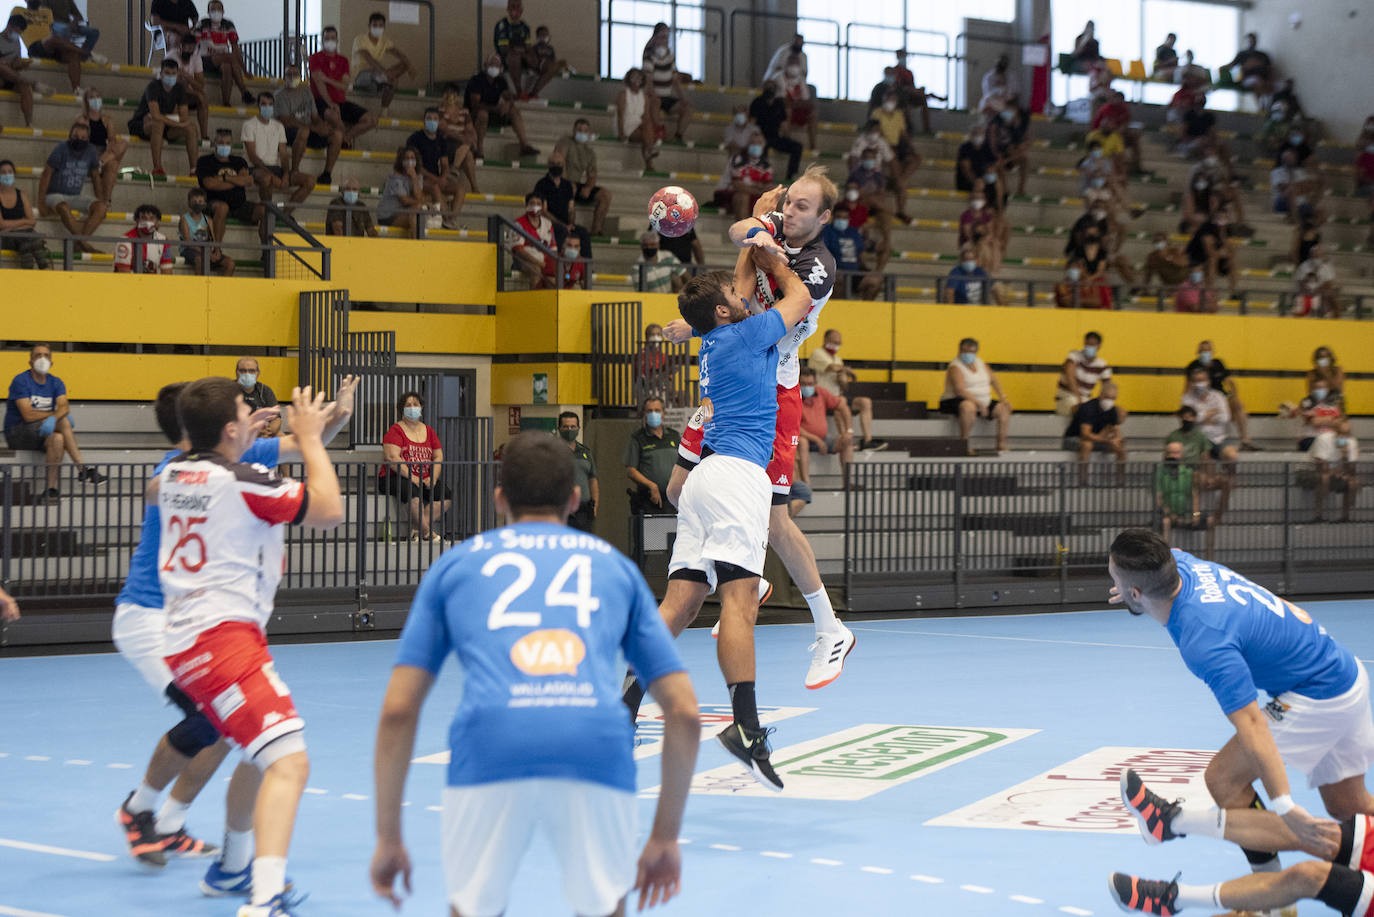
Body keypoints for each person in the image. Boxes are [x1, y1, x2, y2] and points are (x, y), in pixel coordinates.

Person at [368, 431, 699, 917]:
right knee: (604, 907)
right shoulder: (615, 570)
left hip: (490, 748)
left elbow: (398, 710)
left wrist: (389, 837)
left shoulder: (455, 568)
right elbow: (685, 714)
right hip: (594, 750)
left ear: (499, 499)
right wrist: (665, 836)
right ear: (575, 499)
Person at [112, 377, 354, 875]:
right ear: (224, 427)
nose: (254, 414)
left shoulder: (187, 467)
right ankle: (140, 810)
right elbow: (317, 488)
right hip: (154, 617)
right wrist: (292, 441)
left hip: (200, 623)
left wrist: (339, 417)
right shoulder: (191, 469)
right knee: (210, 722)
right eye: (245, 409)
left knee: (225, 728)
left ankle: (174, 821)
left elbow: (309, 440)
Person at [623, 240, 819, 791]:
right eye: (736, 294)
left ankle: (626, 702)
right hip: (737, 477)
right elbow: (800, 297)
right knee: (740, 603)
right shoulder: (742, 333)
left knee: (681, 602)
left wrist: (747, 255)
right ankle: (747, 727)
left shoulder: (716, 340)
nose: (743, 292)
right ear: (725, 312)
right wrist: (771, 257)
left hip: (706, 477)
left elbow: (729, 295)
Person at [658, 168, 857, 692]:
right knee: (678, 489)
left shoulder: (819, 267)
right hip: (734, 378)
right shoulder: (775, 226)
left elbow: (771, 291)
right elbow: (739, 254)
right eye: (788, 204)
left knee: (774, 518)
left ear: (824, 218)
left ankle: (830, 627)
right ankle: (754, 578)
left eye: (802, 208)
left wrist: (759, 234)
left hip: (773, 388)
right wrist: (754, 228)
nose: (790, 213)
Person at [1107, 528, 1374, 909]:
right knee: (1350, 807)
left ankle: (1272, 901)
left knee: (1225, 780)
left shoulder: (1204, 639)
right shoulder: (1182, 565)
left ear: (1136, 593)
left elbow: (1253, 725)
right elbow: (1171, 556)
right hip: (1343, 669)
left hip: (1320, 695)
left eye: (1116, 580)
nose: (1113, 585)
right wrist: (1132, 594)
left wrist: (1284, 805)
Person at [4, 343, 105, 497]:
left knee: (58, 438)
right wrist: (54, 416)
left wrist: (55, 417)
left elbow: (64, 407)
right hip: (18, 432)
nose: (42, 359)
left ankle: (51, 488)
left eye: (46, 356)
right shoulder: (21, 381)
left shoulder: (56, 382)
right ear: (30, 362)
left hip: (43, 433)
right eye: (38, 355)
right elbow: (28, 415)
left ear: (51, 363)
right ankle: (82, 469)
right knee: (63, 422)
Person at [381, 391, 451, 542]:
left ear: (421, 407)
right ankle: (428, 533)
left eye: (415, 404)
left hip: (424, 477)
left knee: (446, 496)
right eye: (408, 405)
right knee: (413, 496)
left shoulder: (429, 431)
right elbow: (392, 457)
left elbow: (438, 456)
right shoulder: (395, 431)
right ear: (402, 409)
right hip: (396, 476)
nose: (412, 407)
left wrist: (433, 478)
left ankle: (416, 529)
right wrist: (412, 477)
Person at [36, 122, 107, 254]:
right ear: (70, 136)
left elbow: (96, 177)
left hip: (75, 196)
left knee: (102, 207)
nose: (79, 139)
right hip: (54, 194)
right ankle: (84, 244)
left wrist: (100, 199)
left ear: (88, 139)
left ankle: (79, 244)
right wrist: (41, 202)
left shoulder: (91, 151)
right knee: (63, 207)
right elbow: (46, 173)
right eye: (75, 136)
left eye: (83, 137)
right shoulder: (61, 148)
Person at [807, 328, 881, 450]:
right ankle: (846, 441)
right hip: (821, 398)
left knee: (865, 402)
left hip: (837, 396)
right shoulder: (817, 353)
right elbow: (831, 367)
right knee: (840, 406)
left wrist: (843, 380)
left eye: (838, 343)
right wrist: (846, 370)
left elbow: (844, 385)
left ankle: (868, 440)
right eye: (834, 341)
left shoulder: (838, 360)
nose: (836, 345)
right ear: (825, 339)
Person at [242, 92, 315, 213]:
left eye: (270, 104)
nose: (267, 107)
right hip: (255, 168)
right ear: (258, 106)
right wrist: (272, 176)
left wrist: (286, 174)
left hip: (276, 168)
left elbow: (284, 154)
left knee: (310, 181)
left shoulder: (279, 126)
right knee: (266, 179)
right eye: (264, 104)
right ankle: (268, 213)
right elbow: (252, 156)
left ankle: (285, 215)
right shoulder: (249, 125)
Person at [308, 26, 378, 149]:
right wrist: (330, 102)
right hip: (320, 101)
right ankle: (342, 143)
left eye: (332, 38)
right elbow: (319, 84)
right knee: (334, 117)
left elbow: (345, 86)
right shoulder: (315, 58)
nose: (330, 40)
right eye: (327, 38)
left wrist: (327, 79)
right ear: (322, 40)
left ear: (337, 40)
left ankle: (346, 138)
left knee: (371, 120)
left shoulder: (343, 60)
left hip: (340, 101)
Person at [128, 57, 200, 178]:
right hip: (141, 124)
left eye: (173, 73)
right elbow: (156, 115)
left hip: (166, 124)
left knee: (191, 127)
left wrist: (175, 121)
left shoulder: (179, 89)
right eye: (167, 73)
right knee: (158, 124)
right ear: (161, 74)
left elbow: (184, 117)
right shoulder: (153, 87)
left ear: (178, 75)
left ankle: (194, 170)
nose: (170, 76)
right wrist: (176, 122)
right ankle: (157, 168)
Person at [940, 337, 1012, 455]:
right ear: (959, 351)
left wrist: (1003, 399)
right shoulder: (955, 366)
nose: (968, 354)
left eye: (971, 352)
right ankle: (965, 443)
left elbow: (994, 381)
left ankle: (1001, 445)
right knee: (969, 407)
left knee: (1003, 410)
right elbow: (960, 390)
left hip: (983, 400)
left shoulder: (981, 363)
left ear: (976, 352)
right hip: (955, 400)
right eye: (965, 351)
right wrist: (979, 404)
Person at [276, 60, 341, 187]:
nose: (292, 77)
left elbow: (314, 116)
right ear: (284, 77)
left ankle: (327, 174)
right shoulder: (280, 95)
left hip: (308, 130)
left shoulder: (306, 91)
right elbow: (286, 120)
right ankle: (294, 171)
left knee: (337, 135)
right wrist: (315, 129)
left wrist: (322, 126)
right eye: (289, 74)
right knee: (304, 131)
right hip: (288, 132)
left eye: (296, 74)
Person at [196, 128, 263, 244]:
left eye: (227, 143)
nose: (224, 146)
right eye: (221, 143)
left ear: (232, 145)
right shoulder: (204, 161)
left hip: (239, 204)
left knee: (264, 211)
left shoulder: (239, 161)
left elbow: (248, 181)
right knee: (222, 208)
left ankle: (266, 252)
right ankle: (216, 248)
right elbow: (209, 184)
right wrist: (236, 181)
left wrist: (224, 178)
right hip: (213, 203)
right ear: (214, 143)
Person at [465, 52, 538, 158]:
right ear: (485, 66)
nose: (494, 68)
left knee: (514, 111)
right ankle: (478, 149)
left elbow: (508, 96)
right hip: (475, 116)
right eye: (492, 65)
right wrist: (495, 109)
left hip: (494, 113)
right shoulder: (476, 80)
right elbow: (475, 104)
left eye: (497, 65)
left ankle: (524, 145)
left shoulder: (500, 81)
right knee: (483, 114)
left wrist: (508, 104)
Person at [407, 106, 467, 229]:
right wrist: (436, 179)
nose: (432, 121)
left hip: (437, 178)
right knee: (434, 187)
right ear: (424, 121)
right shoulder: (415, 138)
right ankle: (447, 217)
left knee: (460, 188)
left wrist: (444, 177)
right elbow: (416, 165)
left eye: (435, 119)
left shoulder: (441, 140)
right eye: (429, 118)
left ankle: (451, 219)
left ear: (439, 122)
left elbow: (444, 163)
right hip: (419, 177)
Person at [554, 118, 612, 237]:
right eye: (579, 129)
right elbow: (560, 163)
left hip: (577, 184)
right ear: (574, 130)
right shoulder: (565, 142)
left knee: (605, 194)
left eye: (585, 130)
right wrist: (567, 183)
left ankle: (596, 230)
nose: (582, 132)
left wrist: (589, 188)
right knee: (570, 190)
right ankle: (570, 229)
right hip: (561, 183)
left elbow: (592, 173)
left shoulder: (589, 152)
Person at [1153, 440, 1212, 555]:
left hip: (1185, 513)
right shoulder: (1159, 471)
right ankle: (1167, 557)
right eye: (1170, 453)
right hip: (1167, 514)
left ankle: (1210, 558)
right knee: (1165, 522)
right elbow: (1158, 497)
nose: (1173, 456)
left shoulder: (1188, 472)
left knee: (1210, 520)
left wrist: (1195, 514)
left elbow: (1195, 495)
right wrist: (1168, 513)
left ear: (1182, 455)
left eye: (1176, 453)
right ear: (1165, 454)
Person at [625, 396, 681, 515]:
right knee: (651, 533)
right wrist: (652, 486)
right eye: (650, 411)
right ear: (644, 413)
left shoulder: (674, 436)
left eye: (657, 410)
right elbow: (631, 471)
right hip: (649, 499)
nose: (653, 414)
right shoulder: (638, 438)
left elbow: (682, 464)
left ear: (663, 413)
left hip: (673, 499)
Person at [795, 366, 852, 483]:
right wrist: (816, 439)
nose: (807, 387)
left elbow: (843, 407)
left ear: (815, 382)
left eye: (810, 384)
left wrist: (849, 431)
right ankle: (806, 483)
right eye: (804, 384)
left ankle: (847, 483)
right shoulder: (794, 396)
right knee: (803, 442)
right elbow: (794, 427)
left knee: (847, 440)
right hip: (804, 439)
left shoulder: (821, 392)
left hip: (823, 438)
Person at [1064, 380, 1127, 481]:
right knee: (1087, 444)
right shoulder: (1088, 408)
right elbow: (1085, 434)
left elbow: (1117, 431)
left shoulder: (1113, 411)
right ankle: (1083, 480)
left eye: (1113, 398)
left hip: (1098, 440)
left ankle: (1120, 481)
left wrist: (1117, 440)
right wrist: (1107, 440)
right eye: (1107, 397)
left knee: (1121, 448)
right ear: (1100, 395)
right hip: (1074, 439)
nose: (1109, 401)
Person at [820, 202, 884, 300]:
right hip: (835, 272)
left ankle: (865, 309)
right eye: (839, 217)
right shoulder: (826, 232)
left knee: (875, 280)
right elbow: (823, 254)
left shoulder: (854, 232)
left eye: (845, 218)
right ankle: (841, 309)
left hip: (855, 272)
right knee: (836, 280)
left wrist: (865, 268)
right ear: (833, 217)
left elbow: (861, 255)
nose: (842, 220)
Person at [351, 11, 412, 114]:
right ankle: (385, 79)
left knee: (397, 75)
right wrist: (384, 73)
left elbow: (399, 54)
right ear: (369, 26)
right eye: (375, 25)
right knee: (390, 78)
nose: (377, 28)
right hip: (362, 76)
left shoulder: (384, 41)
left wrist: (410, 67)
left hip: (378, 75)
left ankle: (384, 110)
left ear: (384, 27)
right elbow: (370, 59)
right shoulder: (360, 39)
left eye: (380, 26)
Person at [1301, 419, 1360, 524]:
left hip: (1334, 472)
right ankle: (1318, 515)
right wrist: (1335, 472)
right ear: (1334, 431)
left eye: (1346, 433)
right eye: (1341, 433)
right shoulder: (1323, 438)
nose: (1344, 437)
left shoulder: (1351, 442)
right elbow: (1320, 465)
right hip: (1307, 471)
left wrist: (1345, 455)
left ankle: (1346, 516)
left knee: (1352, 482)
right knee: (1324, 478)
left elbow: (1352, 470)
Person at [195, 0, 253, 106]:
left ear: (223, 11)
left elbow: (236, 47)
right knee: (230, 56)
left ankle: (226, 102)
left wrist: (245, 70)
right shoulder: (203, 23)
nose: (216, 11)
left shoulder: (228, 24)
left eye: (218, 9)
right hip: (204, 59)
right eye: (213, 9)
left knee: (227, 67)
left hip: (223, 60)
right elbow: (194, 42)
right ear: (208, 12)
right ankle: (244, 91)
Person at [642, 23, 692, 142]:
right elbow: (648, 79)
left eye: (666, 36)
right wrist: (653, 95)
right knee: (655, 102)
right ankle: (658, 131)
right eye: (662, 35)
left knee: (687, 108)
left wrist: (683, 98)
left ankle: (678, 136)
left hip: (667, 96)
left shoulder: (670, 55)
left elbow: (675, 79)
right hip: (654, 96)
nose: (664, 39)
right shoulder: (648, 55)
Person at [1181, 366, 1239, 469]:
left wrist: (1200, 416)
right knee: (1206, 460)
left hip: (1219, 439)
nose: (1200, 383)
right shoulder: (1186, 399)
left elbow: (1225, 417)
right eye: (1197, 381)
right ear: (1192, 383)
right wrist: (1212, 413)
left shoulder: (1218, 396)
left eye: (1202, 380)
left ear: (1208, 381)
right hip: (1197, 440)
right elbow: (1190, 419)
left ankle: (1229, 484)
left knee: (1232, 456)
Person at [76, 88, 127, 203]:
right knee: (112, 163)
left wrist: (106, 154)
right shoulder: (82, 120)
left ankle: (105, 201)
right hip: (88, 153)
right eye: (92, 97)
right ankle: (105, 200)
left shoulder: (107, 120)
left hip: (104, 154)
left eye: (97, 97)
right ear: (86, 101)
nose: (95, 100)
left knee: (122, 145)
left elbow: (112, 142)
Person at [0, 158, 49, 269]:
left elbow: (32, 221)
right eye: (3, 172)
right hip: (4, 238)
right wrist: (23, 222)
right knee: (33, 240)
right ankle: (45, 270)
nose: (7, 175)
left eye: (10, 172)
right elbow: (1, 225)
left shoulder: (21, 194)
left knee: (26, 244)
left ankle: (37, 273)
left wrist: (12, 228)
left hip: (21, 236)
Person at [554, 412, 598, 532]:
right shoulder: (552, 451)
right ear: (559, 429)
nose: (569, 429)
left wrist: (595, 505)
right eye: (566, 427)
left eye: (573, 427)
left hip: (583, 511)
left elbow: (593, 480)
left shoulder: (585, 452)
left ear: (578, 428)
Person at [749, 81, 801, 181]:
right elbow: (752, 123)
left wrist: (787, 137)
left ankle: (791, 175)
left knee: (797, 147)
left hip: (775, 137)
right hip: (761, 137)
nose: (770, 90)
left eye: (772, 88)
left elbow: (784, 124)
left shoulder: (779, 104)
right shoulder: (757, 102)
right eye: (768, 87)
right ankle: (762, 175)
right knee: (762, 148)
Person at [718, 130, 773, 220]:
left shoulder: (765, 164)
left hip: (752, 192)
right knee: (743, 196)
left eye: (759, 143)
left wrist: (761, 190)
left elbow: (768, 186)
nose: (756, 145)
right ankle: (743, 232)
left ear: (764, 145)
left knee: (774, 197)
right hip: (727, 192)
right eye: (753, 143)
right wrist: (758, 189)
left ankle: (772, 231)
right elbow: (738, 185)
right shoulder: (737, 159)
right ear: (747, 144)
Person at [178, 188, 234, 275]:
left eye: (200, 201)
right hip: (189, 250)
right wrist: (207, 254)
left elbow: (213, 240)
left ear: (204, 204)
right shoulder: (184, 219)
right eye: (194, 201)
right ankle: (200, 287)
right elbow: (188, 243)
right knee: (200, 260)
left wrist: (217, 251)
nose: (197, 204)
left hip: (206, 250)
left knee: (230, 263)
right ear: (189, 203)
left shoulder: (208, 220)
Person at [1055, 331, 1112, 418]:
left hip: (1086, 400)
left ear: (1099, 346)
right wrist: (1079, 398)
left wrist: (1103, 402)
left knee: (1116, 414)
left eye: (1093, 345)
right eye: (1087, 344)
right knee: (1082, 409)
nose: (1089, 347)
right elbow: (1070, 377)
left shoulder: (1102, 365)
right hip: (1067, 397)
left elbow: (1108, 386)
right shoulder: (1074, 356)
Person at [166, 30, 209, 139]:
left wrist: (188, 77)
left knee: (202, 99)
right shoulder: (171, 56)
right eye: (187, 48)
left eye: (192, 49)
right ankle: (176, 131)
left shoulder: (196, 57)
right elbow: (172, 83)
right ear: (181, 47)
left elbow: (200, 85)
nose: (190, 52)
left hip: (186, 93)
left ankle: (204, 136)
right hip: (170, 93)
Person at [615, 67, 660, 168]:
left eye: (639, 78)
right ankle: (649, 155)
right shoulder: (623, 94)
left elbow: (646, 116)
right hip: (627, 125)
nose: (636, 80)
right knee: (647, 133)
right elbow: (620, 115)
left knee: (647, 129)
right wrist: (621, 132)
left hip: (640, 125)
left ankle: (649, 155)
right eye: (633, 77)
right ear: (629, 79)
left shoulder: (644, 97)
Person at [510, 191, 556, 289]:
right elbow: (518, 250)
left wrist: (550, 266)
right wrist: (539, 263)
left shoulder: (548, 224)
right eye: (532, 203)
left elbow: (553, 249)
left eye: (538, 204)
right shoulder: (519, 223)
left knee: (555, 279)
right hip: (524, 261)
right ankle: (534, 302)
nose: (535, 206)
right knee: (536, 271)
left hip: (544, 261)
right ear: (526, 205)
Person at [377, 146, 424, 238]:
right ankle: (418, 242)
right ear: (401, 161)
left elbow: (418, 197)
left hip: (406, 212)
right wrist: (421, 203)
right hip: (388, 216)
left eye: (412, 158)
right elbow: (405, 200)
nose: (410, 161)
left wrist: (414, 178)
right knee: (417, 210)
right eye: (407, 158)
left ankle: (416, 240)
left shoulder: (418, 177)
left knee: (419, 213)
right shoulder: (394, 178)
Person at [113, 204, 174, 275]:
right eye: (144, 218)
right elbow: (123, 274)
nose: (148, 222)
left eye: (152, 218)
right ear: (137, 220)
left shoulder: (164, 240)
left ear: (157, 222)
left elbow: (167, 271)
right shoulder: (124, 241)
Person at [492, 0, 536, 98]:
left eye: (518, 6)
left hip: (521, 55)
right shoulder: (502, 25)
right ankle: (518, 91)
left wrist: (530, 56)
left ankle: (533, 91)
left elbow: (528, 47)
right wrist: (521, 51)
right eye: (513, 6)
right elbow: (504, 49)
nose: (516, 9)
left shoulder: (525, 27)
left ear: (522, 9)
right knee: (514, 57)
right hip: (506, 57)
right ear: (508, 9)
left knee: (536, 57)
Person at [233, 357, 279, 435]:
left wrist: (269, 431)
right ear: (236, 372)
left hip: (261, 432)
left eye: (251, 371)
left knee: (281, 436)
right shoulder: (227, 389)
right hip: (237, 433)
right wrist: (253, 431)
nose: (247, 374)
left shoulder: (265, 390)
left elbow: (276, 418)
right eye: (243, 371)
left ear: (258, 373)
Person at [1295, 244, 1342, 318]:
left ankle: (1336, 319)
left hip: (1322, 291)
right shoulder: (1304, 266)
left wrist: (1319, 289)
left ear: (1322, 254)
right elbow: (1300, 282)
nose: (1316, 254)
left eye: (1318, 252)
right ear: (1311, 254)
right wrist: (1309, 289)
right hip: (1306, 291)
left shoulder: (1327, 267)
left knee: (1331, 296)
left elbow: (1329, 283)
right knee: (1300, 298)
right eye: (1314, 252)